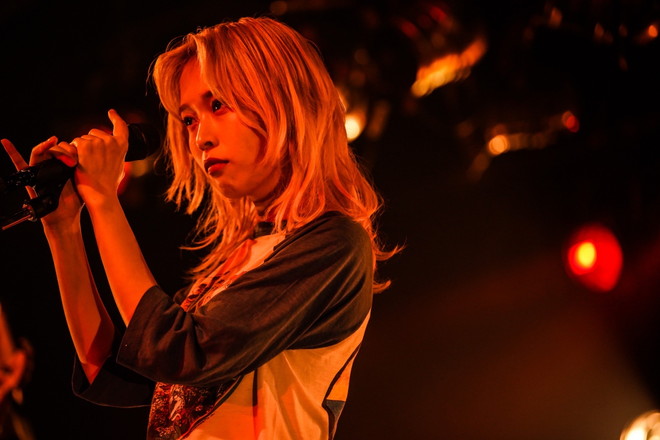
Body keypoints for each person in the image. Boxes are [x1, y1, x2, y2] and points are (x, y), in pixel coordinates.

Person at [1, 16, 396, 439]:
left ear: (284, 101)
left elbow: (179, 353)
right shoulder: (242, 256)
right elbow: (114, 371)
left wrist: (104, 200)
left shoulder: (333, 243)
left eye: (217, 105)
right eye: (189, 119)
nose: (200, 137)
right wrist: (63, 231)